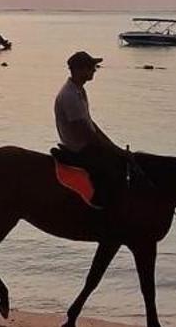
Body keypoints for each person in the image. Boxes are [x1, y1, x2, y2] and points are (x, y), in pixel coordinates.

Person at [53, 50, 127, 210]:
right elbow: (84, 132)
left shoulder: (79, 91)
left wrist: (112, 145)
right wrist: (112, 149)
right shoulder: (70, 96)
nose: (94, 70)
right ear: (79, 70)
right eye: (90, 67)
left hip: (85, 142)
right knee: (110, 172)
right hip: (79, 147)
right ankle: (100, 206)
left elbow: (90, 124)